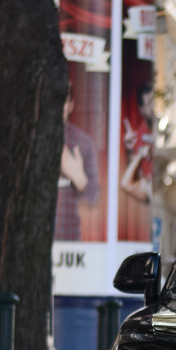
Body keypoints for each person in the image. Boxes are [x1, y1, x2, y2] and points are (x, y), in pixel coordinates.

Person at [56, 80, 99, 240]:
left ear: (71, 105)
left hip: (69, 240)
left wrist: (78, 176)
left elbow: (94, 196)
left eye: (63, 101)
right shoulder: (30, 140)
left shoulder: (84, 142)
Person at [120, 83, 154, 240]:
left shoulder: (160, 127)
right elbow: (127, 181)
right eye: (149, 104)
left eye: (154, 101)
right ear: (141, 109)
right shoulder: (139, 135)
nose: (153, 108)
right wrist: (131, 150)